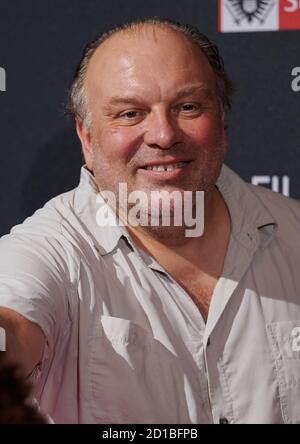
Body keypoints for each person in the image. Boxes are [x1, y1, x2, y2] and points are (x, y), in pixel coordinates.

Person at [0, 17, 300, 425]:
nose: (163, 134)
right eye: (129, 113)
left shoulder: (294, 233)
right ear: (87, 138)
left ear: (223, 122)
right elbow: (13, 320)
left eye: (188, 106)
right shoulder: (51, 250)